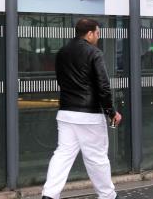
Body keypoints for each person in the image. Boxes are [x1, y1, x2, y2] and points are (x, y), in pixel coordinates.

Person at [41, 18, 122, 199]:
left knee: (62, 154)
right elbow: (103, 86)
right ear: (90, 33)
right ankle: (108, 195)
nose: (98, 37)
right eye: (98, 33)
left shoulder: (62, 52)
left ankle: (49, 194)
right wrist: (111, 112)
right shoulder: (94, 53)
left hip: (66, 113)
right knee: (97, 157)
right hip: (89, 115)